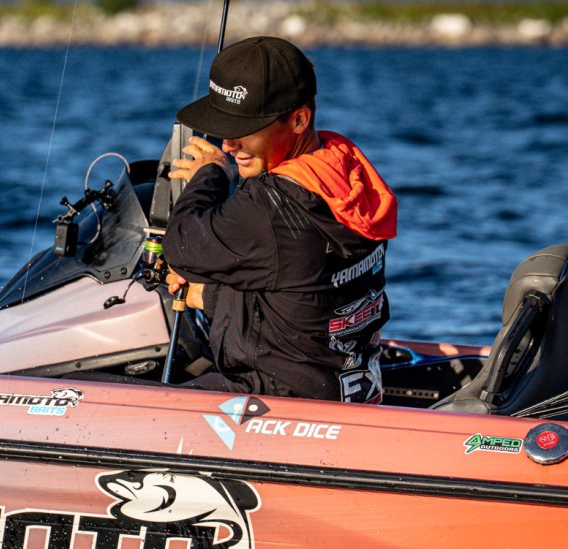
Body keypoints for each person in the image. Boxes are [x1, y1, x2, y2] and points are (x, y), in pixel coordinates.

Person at [162, 36, 397, 403]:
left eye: (243, 128)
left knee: (95, 393)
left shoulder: (272, 206)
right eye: (224, 128)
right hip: (343, 387)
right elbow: (299, 285)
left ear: (299, 119)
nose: (228, 145)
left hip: (278, 403)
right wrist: (206, 294)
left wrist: (210, 174)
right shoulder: (343, 169)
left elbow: (180, 246)